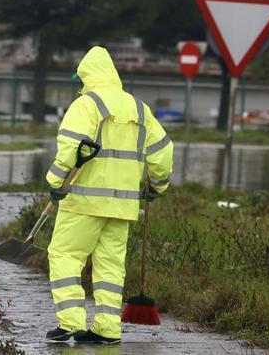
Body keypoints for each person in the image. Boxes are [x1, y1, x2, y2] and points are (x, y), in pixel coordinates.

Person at [44, 46, 174, 345]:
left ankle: (71, 323)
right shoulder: (140, 109)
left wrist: (54, 180)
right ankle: (107, 329)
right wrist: (157, 186)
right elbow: (163, 152)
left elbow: (69, 147)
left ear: (88, 76)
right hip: (123, 205)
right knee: (110, 266)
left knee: (65, 255)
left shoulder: (87, 105)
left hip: (83, 202)